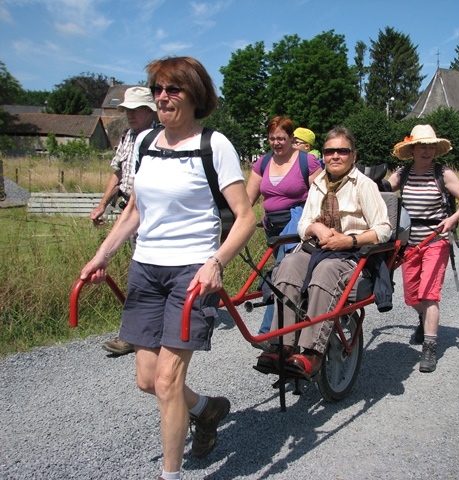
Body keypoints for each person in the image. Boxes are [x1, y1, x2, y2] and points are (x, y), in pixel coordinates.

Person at [79, 56, 256, 480]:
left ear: (195, 96)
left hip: (191, 274)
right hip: (146, 269)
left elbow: (245, 217)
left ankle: (170, 475)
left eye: (172, 89)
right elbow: (135, 211)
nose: (162, 96)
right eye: (158, 88)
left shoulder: (215, 145)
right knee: (146, 379)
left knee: (166, 381)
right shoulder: (144, 143)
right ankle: (207, 409)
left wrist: (216, 262)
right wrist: (102, 255)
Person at [255, 126, 392, 377]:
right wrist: (315, 226)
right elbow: (303, 223)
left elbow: (383, 230)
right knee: (287, 266)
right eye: (330, 151)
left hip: (351, 254)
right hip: (316, 248)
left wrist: (348, 241)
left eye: (342, 150)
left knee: (325, 272)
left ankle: (312, 352)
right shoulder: (318, 183)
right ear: (324, 155)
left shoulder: (364, 185)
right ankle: (281, 345)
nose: (335, 156)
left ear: (353, 155)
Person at [387, 125, 459, 372]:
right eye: (422, 146)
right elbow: (381, 189)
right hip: (407, 243)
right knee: (411, 296)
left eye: (430, 146)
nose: (427, 151)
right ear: (412, 149)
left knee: (428, 294)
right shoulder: (403, 173)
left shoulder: (443, 173)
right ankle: (424, 319)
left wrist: (452, 219)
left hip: (436, 239)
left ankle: (429, 348)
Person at [90, 86, 158, 356]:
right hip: (131, 211)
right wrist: (102, 205)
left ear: (149, 112)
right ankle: (141, 330)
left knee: (143, 273)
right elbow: (117, 174)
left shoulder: (159, 137)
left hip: (152, 213)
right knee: (140, 271)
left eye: (135, 110)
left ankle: (136, 333)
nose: (129, 114)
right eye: (126, 110)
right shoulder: (127, 136)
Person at [246, 117, 322, 345]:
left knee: (280, 275)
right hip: (272, 227)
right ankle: (292, 321)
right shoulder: (263, 162)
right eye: (272, 138)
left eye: (282, 138)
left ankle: (268, 333)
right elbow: (247, 199)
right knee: (282, 275)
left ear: (291, 138)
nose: (277, 142)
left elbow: (320, 198)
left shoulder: (307, 162)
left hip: (296, 227)